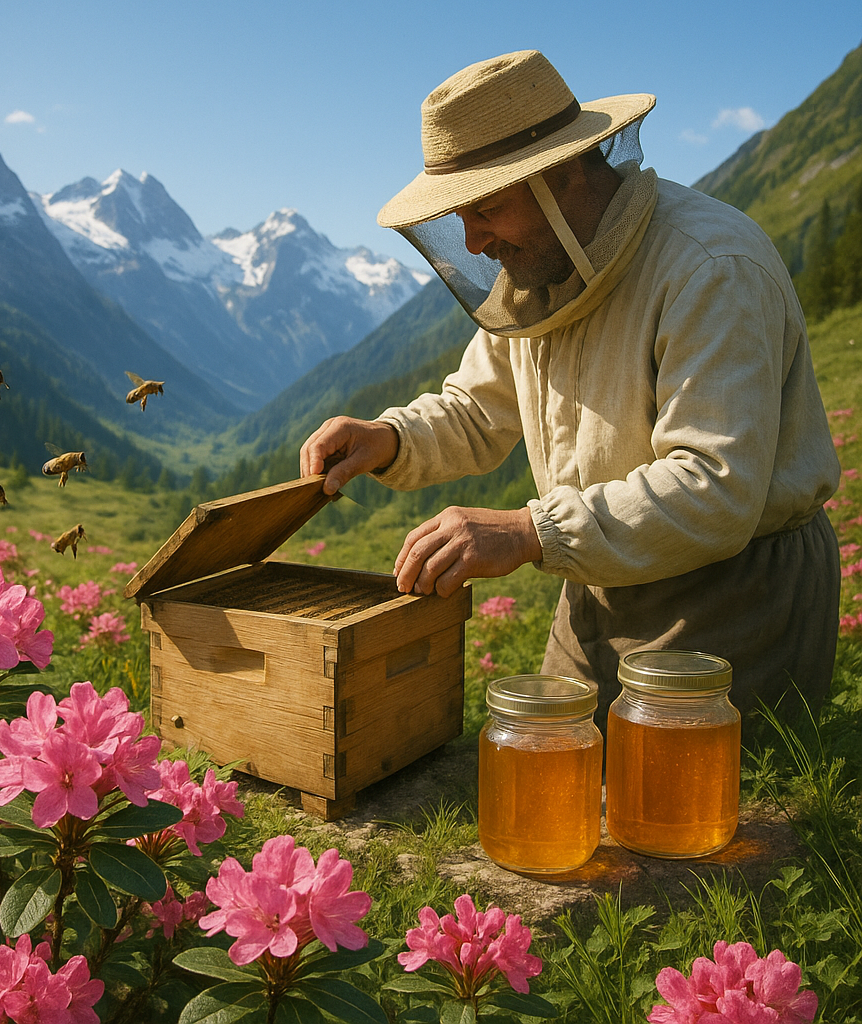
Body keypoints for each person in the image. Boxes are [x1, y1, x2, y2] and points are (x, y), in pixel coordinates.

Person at [299, 50, 841, 722]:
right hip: (592, 577)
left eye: (485, 208)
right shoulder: (543, 269)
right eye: (459, 216)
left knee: (671, 789)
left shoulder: (710, 267)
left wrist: (528, 530)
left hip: (734, 591)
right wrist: (389, 437)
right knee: (551, 756)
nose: (472, 242)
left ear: (561, 175)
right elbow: (476, 408)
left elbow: (714, 486)